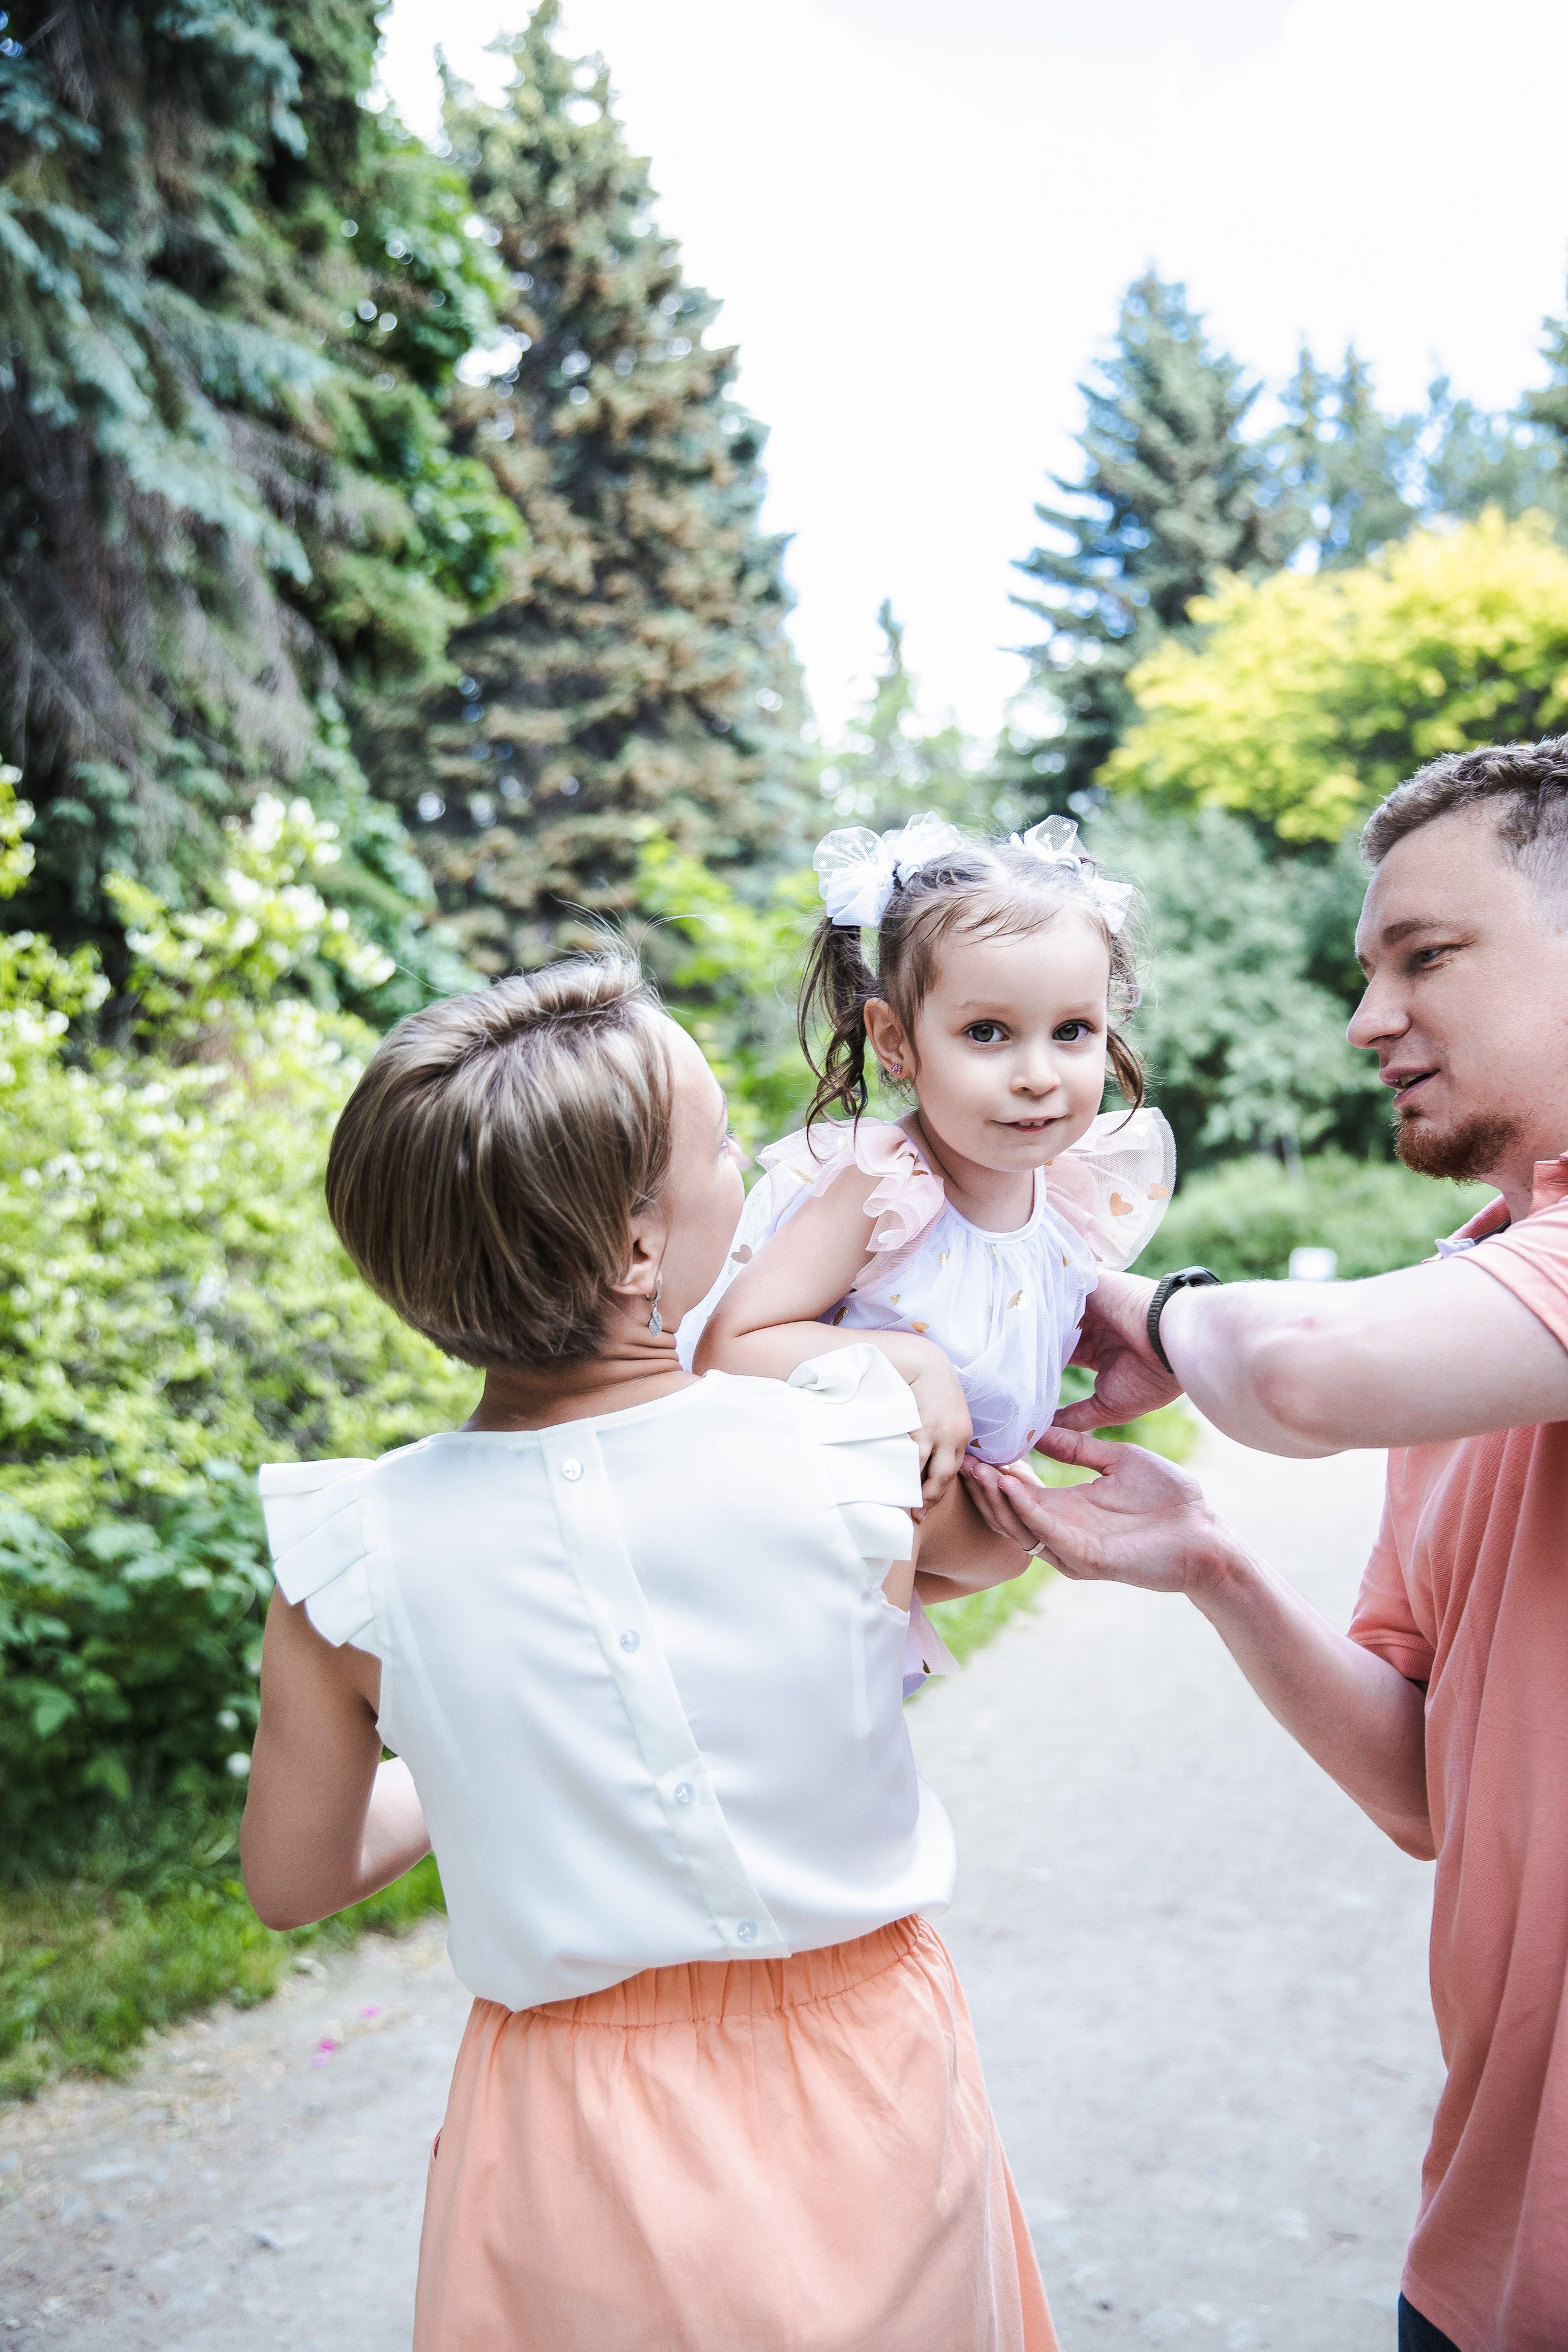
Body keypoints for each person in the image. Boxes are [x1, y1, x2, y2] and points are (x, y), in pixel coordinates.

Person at [239, 954, 1058, 2352]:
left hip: (563, 2129)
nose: (748, 1173)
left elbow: (293, 1875)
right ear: (636, 1251)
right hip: (863, 2077)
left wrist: (489, 1752)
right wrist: (909, 1360)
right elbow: (1003, 1537)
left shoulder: (351, 1553)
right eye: (725, 1149)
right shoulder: (844, 1444)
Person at [961, 738, 1568, 2352]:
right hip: (1486, 2246)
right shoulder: (1478, 1293)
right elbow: (1424, 1792)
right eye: (1369, 969)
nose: (1369, 1019)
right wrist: (1217, 1561)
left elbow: (1298, 1373)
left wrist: (1149, 1305)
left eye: (1427, 956)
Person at [686, 810, 1174, 1489]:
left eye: (1072, 1030)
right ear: (894, 1041)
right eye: (985, 1032)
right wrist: (913, 1367)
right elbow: (729, 1348)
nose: (1038, 1075)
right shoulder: (882, 1185)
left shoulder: (1063, 1187)